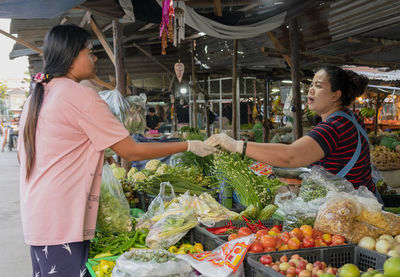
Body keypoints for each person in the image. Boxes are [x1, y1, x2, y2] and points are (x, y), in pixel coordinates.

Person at [17, 24, 216, 277]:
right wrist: (189, 145)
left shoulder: (39, 94)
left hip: (40, 214)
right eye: (90, 52)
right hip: (63, 217)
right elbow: (131, 151)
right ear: (71, 57)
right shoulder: (79, 95)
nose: (95, 57)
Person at [207, 65, 380, 198]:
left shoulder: (334, 127)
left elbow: (291, 156)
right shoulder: (351, 118)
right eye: (311, 84)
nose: (310, 89)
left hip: (349, 210)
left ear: (336, 95)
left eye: (318, 86)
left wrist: (237, 145)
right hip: (358, 202)